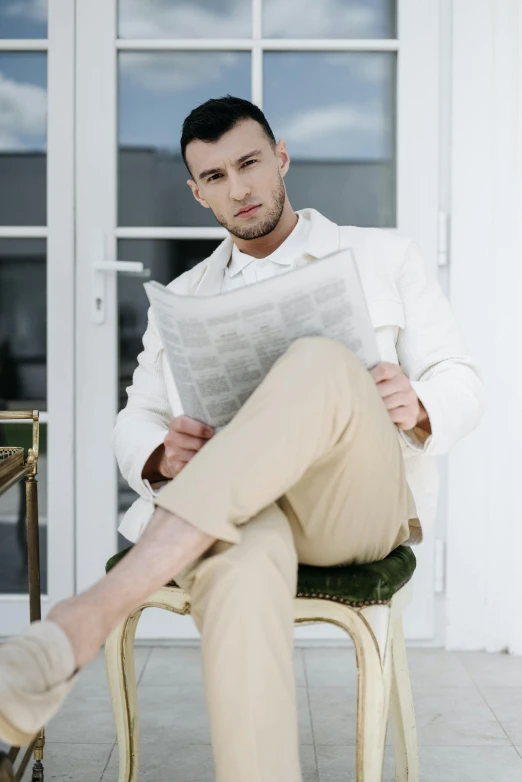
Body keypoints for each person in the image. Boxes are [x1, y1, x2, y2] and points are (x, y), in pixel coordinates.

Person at [0, 96, 484, 780]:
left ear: (280, 157)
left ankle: (83, 619)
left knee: (320, 361)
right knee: (237, 559)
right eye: (217, 177)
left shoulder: (382, 255)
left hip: (349, 503)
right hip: (241, 511)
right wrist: (163, 453)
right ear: (197, 193)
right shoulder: (186, 296)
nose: (241, 188)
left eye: (250, 164)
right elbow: (132, 419)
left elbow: (464, 378)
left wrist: (420, 401)